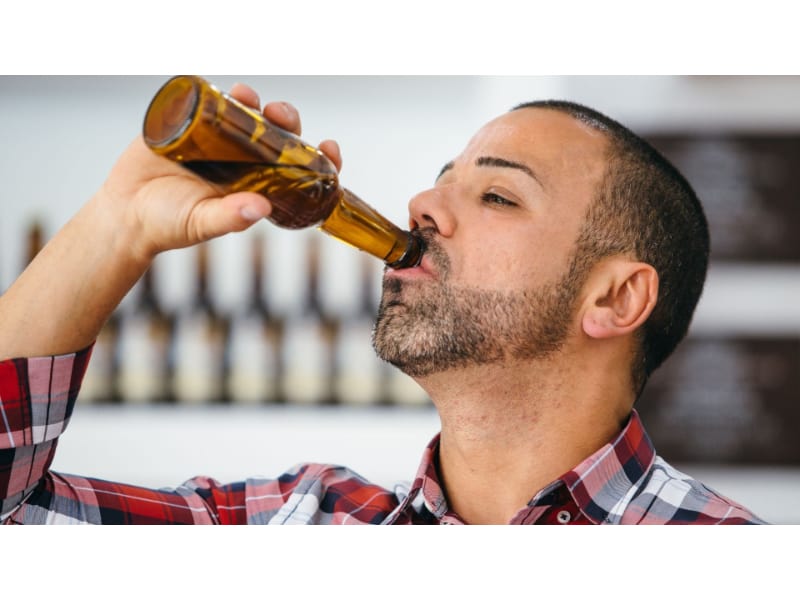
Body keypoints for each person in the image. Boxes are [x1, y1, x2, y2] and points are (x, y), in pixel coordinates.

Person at [0, 81, 766, 525]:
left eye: (497, 194)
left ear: (615, 296)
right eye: (442, 177)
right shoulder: (303, 523)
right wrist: (115, 227)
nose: (422, 203)